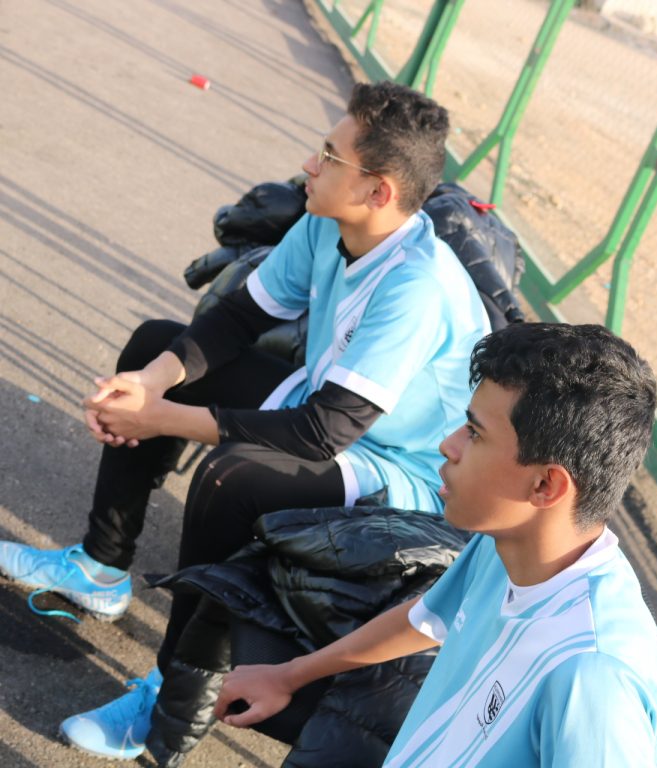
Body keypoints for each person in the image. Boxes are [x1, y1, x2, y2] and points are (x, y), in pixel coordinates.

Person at [0, 81, 489, 758]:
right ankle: (100, 569)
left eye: (329, 156)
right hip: (329, 414)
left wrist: (161, 417)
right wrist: (149, 385)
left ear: (378, 191)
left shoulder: (417, 285)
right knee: (153, 343)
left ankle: (174, 692)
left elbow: (323, 432)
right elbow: (238, 316)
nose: (310, 165)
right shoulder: (328, 222)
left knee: (232, 478)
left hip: (404, 473)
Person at [212, 322, 657, 767]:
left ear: (546, 486)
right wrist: (288, 675)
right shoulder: (507, 547)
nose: (448, 445)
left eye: (474, 433)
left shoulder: (594, 677)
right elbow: (425, 618)